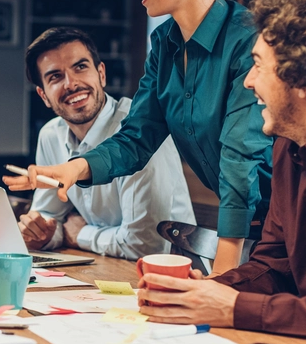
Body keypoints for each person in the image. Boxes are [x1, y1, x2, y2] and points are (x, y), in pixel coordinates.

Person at [5, 0, 274, 275]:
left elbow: (239, 161)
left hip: (293, 222)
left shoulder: (247, 40)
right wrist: (75, 169)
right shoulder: (164, 44)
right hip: (256, 232)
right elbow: (136, 136)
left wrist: (222, 278)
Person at [137, 0, 306, 344]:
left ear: (303, 79)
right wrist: (208, 292)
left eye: (258, 65)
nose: (248, 80)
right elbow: (275, 266)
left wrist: (235, 308)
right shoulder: (287, 149)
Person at [18, 27, 196, 259]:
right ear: (44, 96)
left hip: (173, 275)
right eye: (56, 77)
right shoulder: (51, 135)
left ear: (101, 74)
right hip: (104, 267)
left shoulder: (141, 130)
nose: (71, 84)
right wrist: (41, 233)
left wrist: (81, 234)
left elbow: (145, 245)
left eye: (80, 67)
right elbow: (49, 220)